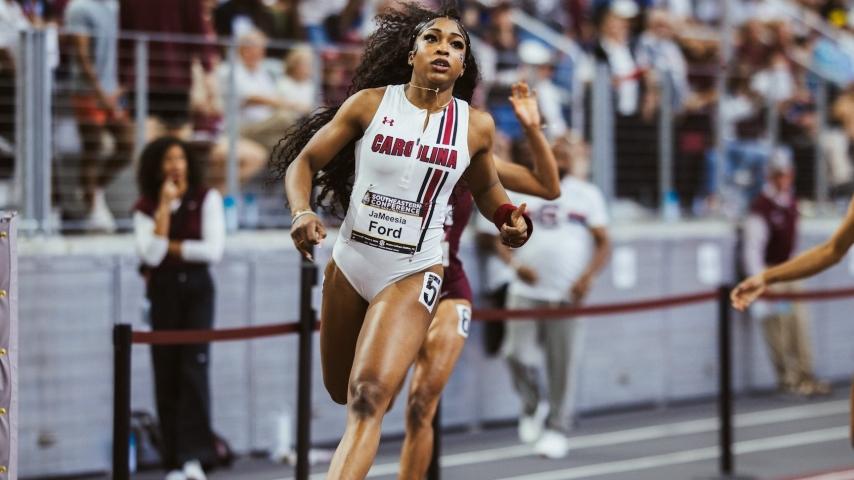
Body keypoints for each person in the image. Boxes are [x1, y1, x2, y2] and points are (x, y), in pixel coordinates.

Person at [274, 5, 532, 477]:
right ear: (412, 53)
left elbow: (488, 189)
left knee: (368, 396)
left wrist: (509, 219)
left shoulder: (474, 126)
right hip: (351, 260)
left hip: (414, 270)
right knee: (340, 388)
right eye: (433, 39)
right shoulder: (370, 105)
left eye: (456, 44)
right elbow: (303, 163)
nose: (444, 48)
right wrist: (301, 211)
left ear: (463, 66)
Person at [398, 81, 561, 478]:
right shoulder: (396, 139)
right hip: (394, 280)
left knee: (421, 404)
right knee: (371, 398)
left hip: (447, 283)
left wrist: (532, 128)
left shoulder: (470, 155)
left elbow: (548, 186)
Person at [500, 134, 610, 458]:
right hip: (526, 289)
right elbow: (494, 237)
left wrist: (587, 278)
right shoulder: (520, 187)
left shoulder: (586, 194)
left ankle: (557, 426)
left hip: (566, 293)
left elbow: (604, 241)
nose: (560, 157)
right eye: (554, 151)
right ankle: (533, 403)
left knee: (563, 364)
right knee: (515, 354)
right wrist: (515, 265)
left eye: (565, 153)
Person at [133, 137, 226, 480]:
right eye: (168, 159)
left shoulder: (206, 198)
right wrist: (163, 208)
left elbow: (212, 252)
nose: (175, 166)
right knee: (166, 371)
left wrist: (170, 245)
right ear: (156, 167)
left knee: (193, 370)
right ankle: (173, 459)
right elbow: (151, 255)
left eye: (180, 158)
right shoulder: (146, 206)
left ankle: (195, 456)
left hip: (197, 290)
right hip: (164, 292)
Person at [739, 152, 830, 396]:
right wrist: (760, 280)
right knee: (778, 326)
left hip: (789, 269)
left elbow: (794, 242)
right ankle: (787, 378)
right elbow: (752, 250)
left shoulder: (790, 203)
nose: (784, 179)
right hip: (771, 271)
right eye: (779, 175)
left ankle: (805, 374)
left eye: (787, 174)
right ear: (770, 176)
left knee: (800, 323)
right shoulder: (761, 207)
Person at [65, 0, 134, 232]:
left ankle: (93, 190)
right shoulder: (79, 8)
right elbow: (81, 55)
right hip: (87, 93)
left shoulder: (114, 6)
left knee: (127, 145)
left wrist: (120, 88)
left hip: (113, 92)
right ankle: (92, 209)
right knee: (93, 148)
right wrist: (98, 92)